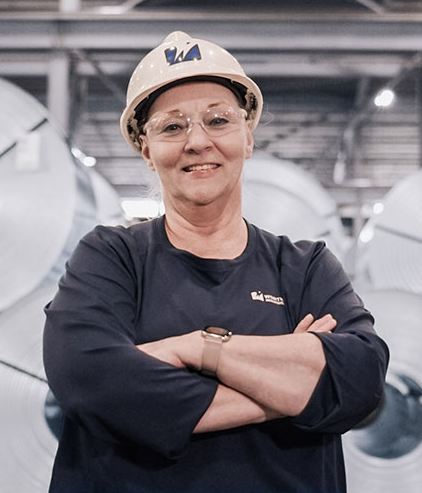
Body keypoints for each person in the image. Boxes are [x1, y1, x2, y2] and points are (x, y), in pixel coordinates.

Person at [43, 31, 389, 493]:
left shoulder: (305, 267)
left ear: (247, 137)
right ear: (147, 150)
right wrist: (295, 387)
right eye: (172, 126)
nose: (197, 141)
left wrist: (195, 349)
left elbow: (362, 380)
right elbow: (91, 381)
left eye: (218, 120)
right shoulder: (111, 258)